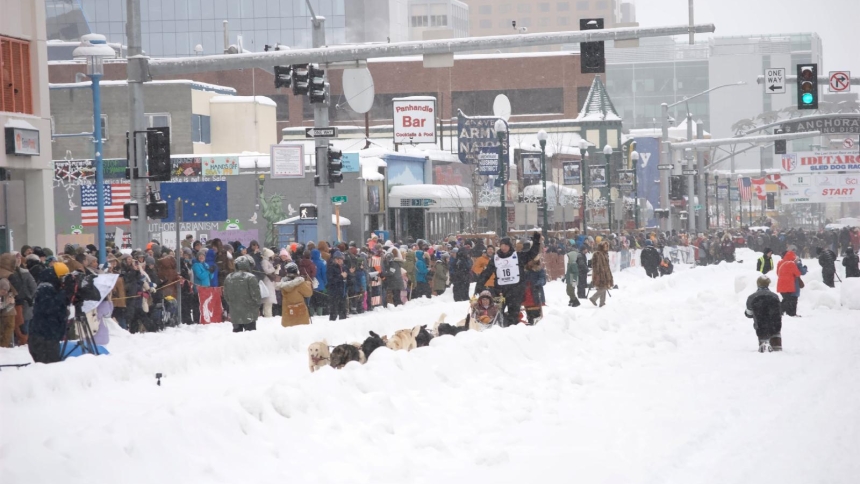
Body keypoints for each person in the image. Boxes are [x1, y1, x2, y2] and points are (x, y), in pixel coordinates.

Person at [477, 232, 542, 327]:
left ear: (509, 246)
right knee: (498, 313)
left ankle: (512, 331)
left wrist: (536, 242)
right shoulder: (495, 259)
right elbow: (486, 273)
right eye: (501, 245)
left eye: (505, 245)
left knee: (514, 313)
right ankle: (500, 330)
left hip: (516, 289)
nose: (503, 248)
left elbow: (532, 254)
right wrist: (479, 286)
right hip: (500, 290)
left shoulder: (518, 256)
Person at [27, 263, 71, 363]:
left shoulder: (53, 287)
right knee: (49, 367)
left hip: (49, 334)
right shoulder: (45, 288)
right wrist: (64, 294)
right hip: (44, 336)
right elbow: (48, 307)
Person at [223, 255, 261, 332]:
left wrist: (233, 304)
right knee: (250, 335)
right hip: (249, 312)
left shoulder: (229, 277)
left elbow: (226, 295)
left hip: (235, 312)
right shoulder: (251, 277)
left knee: (237, 335)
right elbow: (256, 296)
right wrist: (256, 307)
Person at [745, 275, 783, 352]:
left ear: (758, 284)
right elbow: (780, 311)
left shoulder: (752, 297)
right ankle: (776, 347)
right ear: (768, 284)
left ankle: (764, 345)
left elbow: (749, 314)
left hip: (761, 327)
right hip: (775, 326)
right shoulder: (775, 296)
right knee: (778, 351)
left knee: (764, 350)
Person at [276, 262, 313, 327]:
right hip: (300, 314)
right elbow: (308, 293)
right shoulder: (300, 283)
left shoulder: (283, 283)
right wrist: (308, 283)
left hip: (288, 313)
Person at [776, 250, 806, 317]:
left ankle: (784, 312)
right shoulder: (791, 264)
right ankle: (780, 311)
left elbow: (777, 273)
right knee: (788, 300)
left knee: (786, 299)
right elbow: (798, 273)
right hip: (788, 285)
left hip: (780, 284)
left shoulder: (780, 262)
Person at [589, 241, 613, 307]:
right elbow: (595, 265)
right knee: (603, 287)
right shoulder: (598, 254)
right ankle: (593, 298)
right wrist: (598, 273)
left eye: (607, 246)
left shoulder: (605, 254)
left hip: (605, 273)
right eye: (604, 246)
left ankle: (602, 302)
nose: (606, 247)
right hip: (600, 274)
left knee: (603, 287)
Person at [326, 251, 348, 320]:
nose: (339, 261)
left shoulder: (344, 267)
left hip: (342, 292)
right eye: (337, 259)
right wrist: (341, 277)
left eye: (340, 259)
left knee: (343, 311)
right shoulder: (331, 267)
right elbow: (331, 280)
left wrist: (349, 276)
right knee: (333, 311)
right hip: (334, 292)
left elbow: (349, 279)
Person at [260, 248, 278, 317]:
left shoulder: (267, 262)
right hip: (267, 282)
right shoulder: (265, 262)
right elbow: (266, 270)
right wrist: (274, 268)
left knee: (269, 302)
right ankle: (268, 316)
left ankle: (269, 315)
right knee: (268, 302)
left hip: (269, 283)